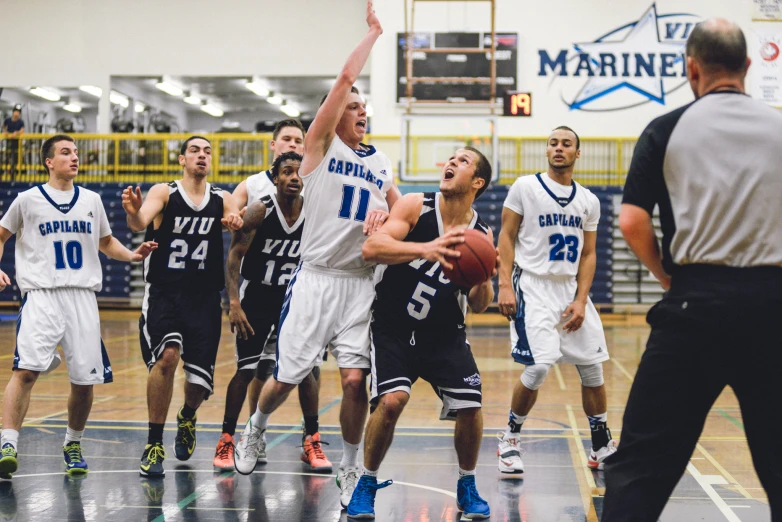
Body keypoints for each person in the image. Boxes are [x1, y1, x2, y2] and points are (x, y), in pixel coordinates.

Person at [602, 19, 782, 520]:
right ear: (748, 66)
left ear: (691, 69)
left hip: (693, 305)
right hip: (773, 306)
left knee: (640, 467)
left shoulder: (666, 129)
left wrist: (665, 276)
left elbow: (633, 219)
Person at [233, 0, 402, 510]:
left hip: (360, 283)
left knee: (355, 381)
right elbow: (346, 76)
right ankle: (255, 428)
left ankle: (350, 468)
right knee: (285, 378)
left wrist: (385, 223)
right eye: (354, 106)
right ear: (334, 114)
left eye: (363, 108)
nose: (362, 111)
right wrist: (373, 34)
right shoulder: (319, 149)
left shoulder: (382, 163)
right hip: (315, 279)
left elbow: (403, 215)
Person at [347, 148, 496, 519]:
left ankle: (467, 483)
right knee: (393, 401)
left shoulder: (481, 234)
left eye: (462, 161)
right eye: (450, 159)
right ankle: (366, 482)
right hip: (393, 326)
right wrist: (426, 249)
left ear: (477, 182)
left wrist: (482, 278)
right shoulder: (417, 205)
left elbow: (480, 304)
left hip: (444, 333)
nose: (450, 163)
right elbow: (372, 247)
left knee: (471, 405)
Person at [0, 134, 157, 478]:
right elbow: (1, 235)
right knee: (25, 371)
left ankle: (73, 443)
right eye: (65, 152)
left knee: (84, 381)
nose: (74, 157)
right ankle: (8, 442)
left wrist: (130, 255)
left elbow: (105, 241)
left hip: (82, 297)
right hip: (41, 295)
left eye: (75, 152)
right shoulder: (27, 200)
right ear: (48, 161)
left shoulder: (92, 199)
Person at [496, 126, 615, 474]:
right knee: (539, 365)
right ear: (546, 151)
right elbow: (506, 235)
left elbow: (589, 254)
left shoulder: (588, 200)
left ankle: (600, 444)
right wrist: (504, 284)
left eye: (566, 144)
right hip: (532, 284)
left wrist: (581, 299)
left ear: (578, 153)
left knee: (592, 367)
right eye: (553, 143)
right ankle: (509, 439)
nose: (558, 148)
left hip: (569, 288)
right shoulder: (525, 187)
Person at [122, 136, 243, 477]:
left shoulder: (222, 197)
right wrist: (133, 213)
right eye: (195, 150)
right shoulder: (164, 191)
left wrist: (237, 223)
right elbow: (139, 220)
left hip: (204, 297)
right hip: (166, 292)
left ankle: (187, 415)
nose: (202, 155)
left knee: (200, 384)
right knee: (168, 356)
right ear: (181, 159)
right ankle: (154, 443)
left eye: (207, 151)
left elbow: (238, 221)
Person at [214, 120, 329, 472]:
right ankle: (227, 439)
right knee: (247, 370)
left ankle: (312, 440)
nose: (295, 177)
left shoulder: (314, 210)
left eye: (299, 172)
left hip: (296, 298)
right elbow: (234, 256)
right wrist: (233, 303)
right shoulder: (259, 209)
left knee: (307, 369)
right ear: (276, 178)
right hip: (258, 296)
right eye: (287, 172)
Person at [2, 105, 24, 177]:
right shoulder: (8, 120)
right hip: (8, 141)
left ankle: (14, 171)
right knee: (7, 156)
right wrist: (5, 132)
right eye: (15, 112)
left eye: (18, 112)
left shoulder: (20, 122)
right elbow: (4, 126)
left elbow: (22, 130)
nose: (16, 113)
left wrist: (16, 133)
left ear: (19, 114)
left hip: (17, 142)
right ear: (13, 112)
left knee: (15, 157)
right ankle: (6, 170)